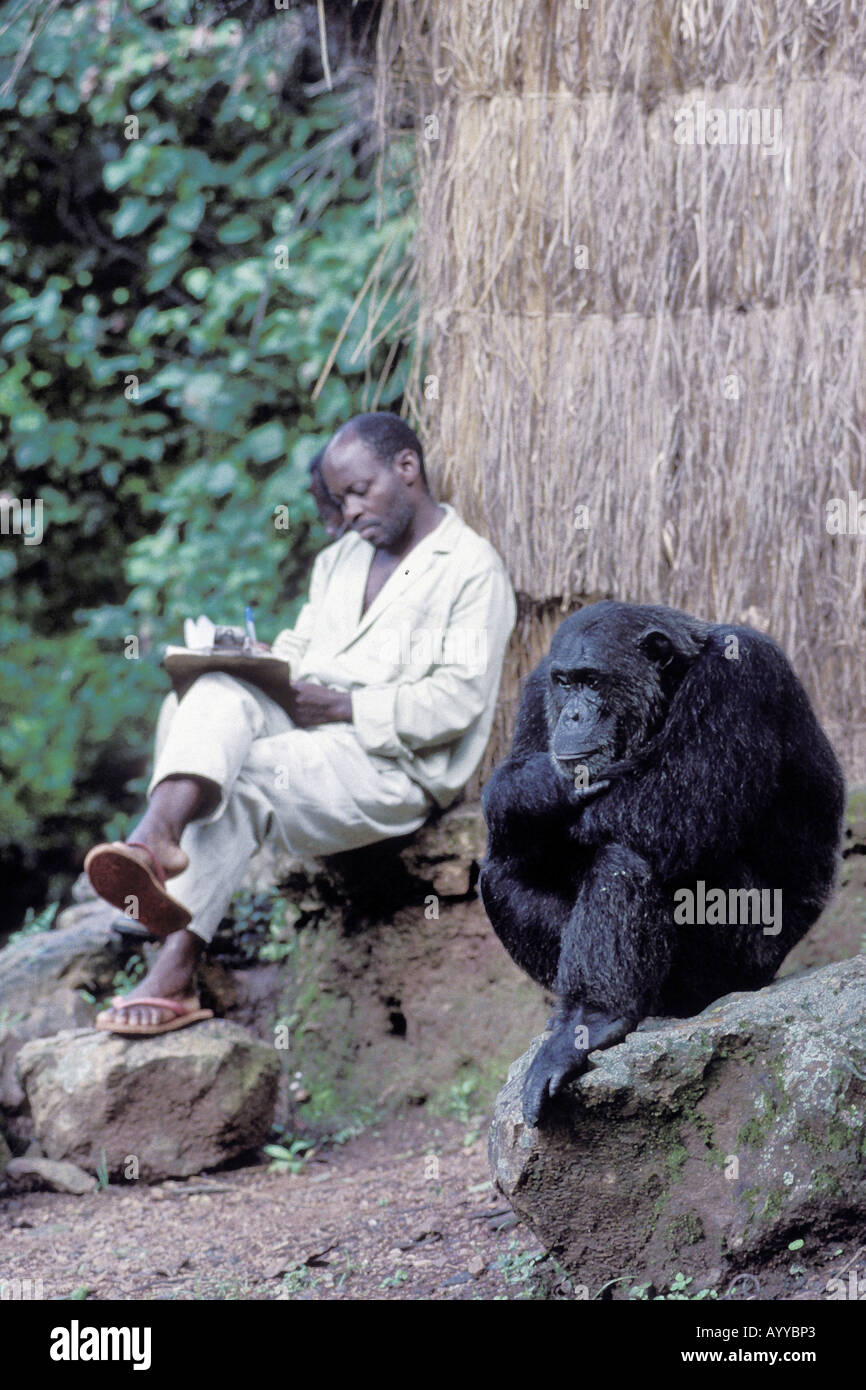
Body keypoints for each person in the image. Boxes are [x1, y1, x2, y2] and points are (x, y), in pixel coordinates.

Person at [85, 412, 517, 1034]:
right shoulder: (339, 561)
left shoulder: (471, 569)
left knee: (252, 772)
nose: (350, 511)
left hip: (394, 769)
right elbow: (302, 647)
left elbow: (458, 703)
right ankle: (153, 841)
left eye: (360, 491)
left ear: (407, 468)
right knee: (205, 691)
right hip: (313, 738)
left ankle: (175, 972)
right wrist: (256, 664)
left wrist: (344, 707)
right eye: (339, 498)